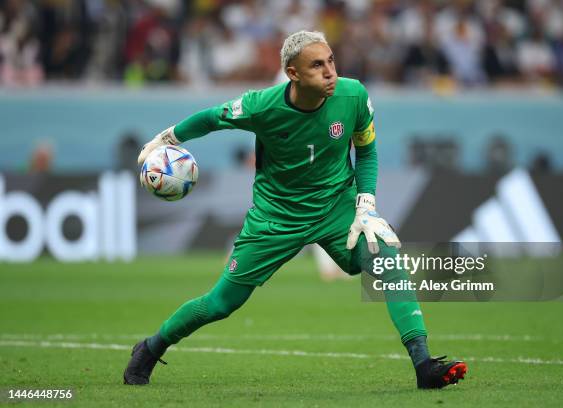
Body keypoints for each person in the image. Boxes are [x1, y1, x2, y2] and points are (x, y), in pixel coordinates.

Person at [123, 30, 467, 390]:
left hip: (337, 208)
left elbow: (366, 150)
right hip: (276, 218)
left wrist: (366, 204)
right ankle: (151, 347)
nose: (330, 71)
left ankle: (423, 363)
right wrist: (166, 140)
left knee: (386, 257)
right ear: (293, 74)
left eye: (331, 60)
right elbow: (211, 118)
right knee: (221, 304)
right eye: (317, 65)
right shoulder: (261, 106)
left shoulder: (354, 95)